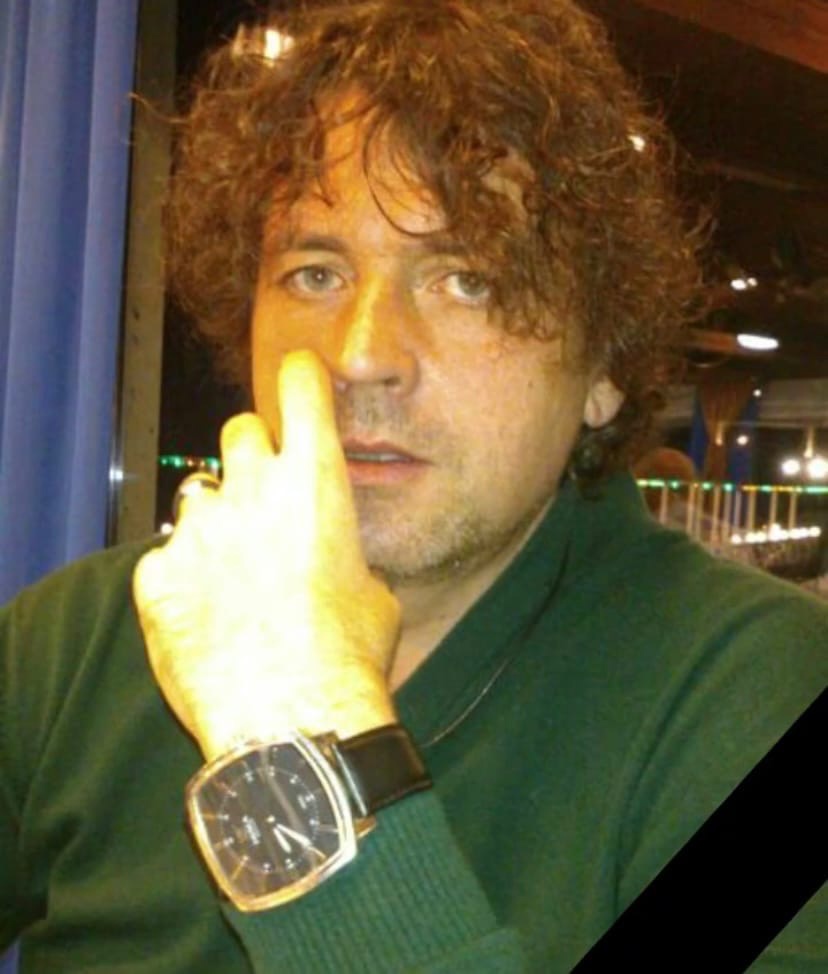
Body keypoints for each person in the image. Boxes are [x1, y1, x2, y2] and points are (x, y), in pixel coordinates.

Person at [1, 1, 826, 971]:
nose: (361, 355)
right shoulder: (83, 637)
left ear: (603, 365)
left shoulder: (759, 691)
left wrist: (295, 730)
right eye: (314, 273)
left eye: (469, 279)